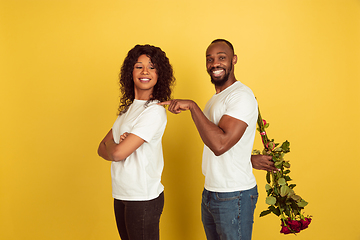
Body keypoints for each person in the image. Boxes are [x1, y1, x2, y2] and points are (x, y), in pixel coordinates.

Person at [159, 39, 277, 240]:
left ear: (234, 60)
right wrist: (248, 160)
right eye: (210, 59)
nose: (215, 63)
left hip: (233, 194)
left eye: (222, 58)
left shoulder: (241, 96)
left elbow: (220, 145)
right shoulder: (216, 99)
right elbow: (227, 143)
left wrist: (192, 107)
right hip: (212, 192)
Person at [98, 44, 175, 240]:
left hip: (143, 198)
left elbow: (115, 154)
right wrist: (117, 145)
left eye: (151, 66)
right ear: (130, 72)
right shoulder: (127, 111)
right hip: (122, 194)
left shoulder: (154, 111)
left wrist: (116, 146)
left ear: (159, 74)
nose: (145, 72)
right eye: (138, 66)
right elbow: (101, 148)